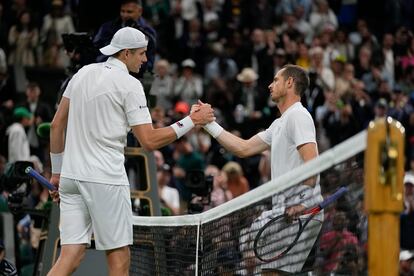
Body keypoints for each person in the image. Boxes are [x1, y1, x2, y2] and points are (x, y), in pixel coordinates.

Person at [48, 27, 214, 276]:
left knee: (70, 256)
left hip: (71, 178)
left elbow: (56, 125)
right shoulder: (130, 84)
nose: (145, 60)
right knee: (120, 259)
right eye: (142, 54)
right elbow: (149, 141)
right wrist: (191, 121)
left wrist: (57, 172)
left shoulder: (82, 73)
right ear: (126, 53)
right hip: (104, 180)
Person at [198, 64, 323, 274]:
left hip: (300, 210)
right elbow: (243, 148)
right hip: (287, 211)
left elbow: (312, 163)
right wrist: (208, 124)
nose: (269, 85)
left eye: (275, 80)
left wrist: (301, 202)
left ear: (290, 82)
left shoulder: (298, 116)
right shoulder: (279, 123)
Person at [93, 0, 156, 76]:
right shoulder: (107, 27)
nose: (125, 15)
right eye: (122, 11)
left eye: (129, 12)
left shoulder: (148, 32)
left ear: (140, 11)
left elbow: (149, 62)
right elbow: (97, 50)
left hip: (136, 76)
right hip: (107, 72)